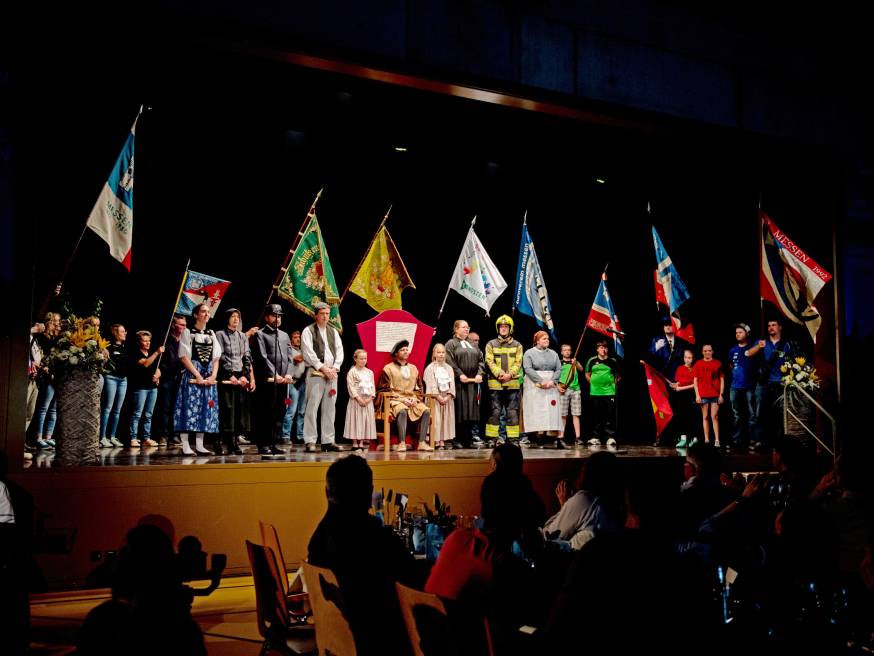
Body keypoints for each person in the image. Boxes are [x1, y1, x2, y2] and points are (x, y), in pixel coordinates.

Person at [307, 456, 417, 655]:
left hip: (336, 640)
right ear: (369, 493)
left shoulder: (318, 539)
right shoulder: (377, 540)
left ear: (327, 492)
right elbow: (414, 582)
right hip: (377, 641)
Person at [174, 303, 221, 456]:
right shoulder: (188, 332)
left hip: (208, 375)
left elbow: (216, 358)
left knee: (205, 409)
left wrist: (213, 375)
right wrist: (197, 375)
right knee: (188, 408)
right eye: (203, 311)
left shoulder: (211, 333)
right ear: (195, 315)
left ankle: (200, 445)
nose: (207, 314)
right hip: (193, 374)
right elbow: (183, 356)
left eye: (208, 312)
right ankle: (185, 446)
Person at [748, 317, 800, 451]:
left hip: (781, 384)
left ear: (780, 327)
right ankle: (760, 441)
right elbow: (748, 353)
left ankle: (780, 442)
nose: (771, 327)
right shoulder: (762, 342)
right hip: (763, 383)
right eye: (769, 325)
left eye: (774, 325)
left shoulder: (787, 344)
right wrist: (758, 347)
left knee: (780, 414)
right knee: (760, 413)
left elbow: (794, 361)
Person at [301, 302, 344, 453]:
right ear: (316, 315)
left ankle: (328, 440)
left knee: (330, 408)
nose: (325, 317)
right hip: (316, 373)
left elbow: (340, 352)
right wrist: (323, 368)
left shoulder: (333, 332)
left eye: (327, 314)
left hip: (331, 375)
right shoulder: (308, 331)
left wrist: (335, 368)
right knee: (312, 407)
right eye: (322, 314)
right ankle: (310, 440)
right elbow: (308, 353)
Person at [251, 303, 293, 456]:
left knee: (280, 412)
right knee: (266, 412)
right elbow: (262, 357)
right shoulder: (260, 334)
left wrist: (288, 374)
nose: (277, 319)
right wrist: (274, 374)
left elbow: (290, 358)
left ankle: (274, 442)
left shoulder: (284, 335)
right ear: (267, 317)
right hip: (267, 381)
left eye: (279, 316)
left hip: (283, 381)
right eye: (274, 316)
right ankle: (263, 444)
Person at [378, 340, 433, 451]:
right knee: (402, 410)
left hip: (412, 399)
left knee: (426, 411)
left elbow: (419, 388)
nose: (405, 352)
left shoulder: (413, 368)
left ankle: (422, 443)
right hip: (394, 400)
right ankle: (402, 443)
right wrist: (402, 400)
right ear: (396, 353)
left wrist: (415, 399)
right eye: (402, 350)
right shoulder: (388, 368)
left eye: (407, 350)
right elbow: (384, 389)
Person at [215, 308, 254, 455]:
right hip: (226, 376)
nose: (236, 319)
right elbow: (220, 356)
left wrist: (245, 375)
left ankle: (234, 442)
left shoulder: (242, 336)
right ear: (227, 318)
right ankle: (219, 441)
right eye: (233, 316)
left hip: (240, 377)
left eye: (238, 316)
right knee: (226, 409)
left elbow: (247, 357)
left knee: (238, 410)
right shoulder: (220, 334)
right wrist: (229, 375)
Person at [444, 319, 485, 448]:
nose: (467, 329)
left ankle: (468, 438)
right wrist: (459, 374)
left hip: (472, 383)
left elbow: (481, 360)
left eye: (468, 327)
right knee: (460, 410)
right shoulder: (451, 344)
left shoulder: (472, 343)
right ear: (456, 329)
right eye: (463, 327)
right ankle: (457, 438)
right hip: (459, 383)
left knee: (471, 411)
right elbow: (449, 361)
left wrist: (479, 374)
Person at [484, 315, 523, 446]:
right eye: (501, 326)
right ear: (498, 328)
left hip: (512, 384)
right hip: (495, 384)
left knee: (512, 412)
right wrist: (500, 373)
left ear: (510, 328)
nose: (503, 329)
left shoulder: (518, 345)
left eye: (506, 326)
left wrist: (509, 375)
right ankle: (492, 439)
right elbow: (489, 361)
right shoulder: (490, 344)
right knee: (494, 412)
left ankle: (513, 439)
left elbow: (518, 362)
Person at [522, 330, 563, 448]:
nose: (547, 341)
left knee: (550, 410)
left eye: (548, 339)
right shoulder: (529, 353)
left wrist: (553, 381)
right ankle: (539, 436)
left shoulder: (553, 354)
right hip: (535, 385)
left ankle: (552, 436)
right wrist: (541, 381)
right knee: (538, 409)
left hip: (551, 384)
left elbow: (558, 369)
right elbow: (528, 368)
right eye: (544, 339)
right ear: (537, 341)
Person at [127, 330, 164, 448]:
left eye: (149, 341)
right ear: (139, 342)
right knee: (137, 414)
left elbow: (157, 368)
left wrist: (158, 375)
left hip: (152, 388)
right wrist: (157, 352)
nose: (148, 343)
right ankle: (133, 438)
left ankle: (146, 438)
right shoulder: (135, 353)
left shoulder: (151, 354)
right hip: (141, 388)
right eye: (145, 341)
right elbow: (146, 364)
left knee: (148, 414)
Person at [155, 315, 186, 447]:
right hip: (167, 377)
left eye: (185, 325)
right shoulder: (165, 338)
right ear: (174, 325)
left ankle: (175, 435)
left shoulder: (185, 340)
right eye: (181, 325)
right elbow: (161, 360)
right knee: (165, 407)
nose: (184, 327)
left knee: (177, 408)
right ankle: (163, 435)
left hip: (180, 378)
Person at [31, 312, 61, 450]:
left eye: (58, 321)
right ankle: (38, 437)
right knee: (44, 407)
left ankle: (48, 437)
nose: (58, 323)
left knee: (53, 409)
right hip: (46, 375)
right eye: (55, 321)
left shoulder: (57, 338)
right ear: (49, 321)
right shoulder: (42, 338)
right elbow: (39, 356)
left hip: (56, 376)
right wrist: (44, 367)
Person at [728, 322, 758, 450]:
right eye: (736, 333)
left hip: (749, 386)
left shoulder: (752, 348)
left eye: (740, 332)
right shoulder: (732, 350)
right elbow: (731, 365)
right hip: (734, 387)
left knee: (752, 414)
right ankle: (736, 440)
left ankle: (753, 440)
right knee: (736, 415)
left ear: (747, 333)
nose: (737, 334)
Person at [585, 340, 620, 446]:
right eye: (601, 347)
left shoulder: (612, 361)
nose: (603, 349)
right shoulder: (592, 360)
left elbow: (617, 376)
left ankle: (610, 437)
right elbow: (587, 374)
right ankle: (595, 437)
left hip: (609, 393)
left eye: (605, 347)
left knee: (609, 416)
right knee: (596, 416)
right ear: (597, 349)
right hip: (595, 392)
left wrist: (611, 385)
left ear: (607, 349)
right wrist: (594, 384)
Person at [99, 324, 128, 448]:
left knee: (117, 410)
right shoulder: (109, 347)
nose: (125, 333)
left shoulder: (125, 347)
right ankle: (102, 437)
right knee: (107, 408)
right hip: (111, 378)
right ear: (116, 333)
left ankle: (112, 436)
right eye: (122, 331)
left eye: (124, 331)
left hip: (123, 380)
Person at [424, 343, 456, 450]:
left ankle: (442, 440)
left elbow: (452, 384)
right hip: (435, 399)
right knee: (436, 420)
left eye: (443, 352)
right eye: (439, 352)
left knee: (445, 420)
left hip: (446, 399)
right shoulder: (430, 368)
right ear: (434, 354)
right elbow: (431, 384)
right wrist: (438, 397)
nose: (441, 354)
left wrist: (448, 396)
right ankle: (435, 440)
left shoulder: (449, 368)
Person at [344, 349, 376, 453]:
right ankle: (355, 443)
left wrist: (369, 399)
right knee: (355, 420)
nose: (363, 361)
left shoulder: (369, 372)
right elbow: (351, 387)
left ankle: (361, 442)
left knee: (364, 421)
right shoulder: (352, 372)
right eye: (361, 358)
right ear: (355, 359)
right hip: (356, 400)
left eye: (365, 358)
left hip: (367, 401)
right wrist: (358, 399)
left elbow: (373, 387)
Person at [692, 343, 724, 447]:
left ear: (712, 351)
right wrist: (697, 395)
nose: (707, 352)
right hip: (703, 395)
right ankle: (706, 439)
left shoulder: (717, 363)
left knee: (714, 416)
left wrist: (721, 394)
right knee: (705, 417)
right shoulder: (698, 364)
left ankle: (717, 440)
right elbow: (695, 381)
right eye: (705, 351)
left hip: (715, 394)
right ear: (702, 352)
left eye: (709, 350)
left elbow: (722, 380)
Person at [281, 329, 307, 443]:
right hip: (293, 383)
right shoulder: (289, 350)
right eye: (295, 337)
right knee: (291, 410)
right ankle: (285, 436)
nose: (298, 339)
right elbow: (297, 359)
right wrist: (308, 353)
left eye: (299, 337)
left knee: (302, 411)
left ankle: (300, 436)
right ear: (291, 339)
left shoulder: (302, 351)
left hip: (303, 383)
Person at [669, 348, 697, 447]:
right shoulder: (680, 368)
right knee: (681, 417)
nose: (687, 360)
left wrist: (681, 388)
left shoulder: (695, 369)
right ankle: (683, 439)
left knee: (691, 417)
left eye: (689, 358)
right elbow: (679, 382)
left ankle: (693, 439)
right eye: (685, 357)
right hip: (681, 397)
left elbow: (695, 385)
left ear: (693, 358)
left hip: (691, 395)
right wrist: (675, 385)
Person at [558, 343, 584, 445]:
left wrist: (576, 363)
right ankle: (560, 437)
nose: (567, 352)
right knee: (563, 414)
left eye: (569, 350)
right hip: (564, 389)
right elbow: (554, 376)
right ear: (561, 352)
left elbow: (581, 369)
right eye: (565, 350)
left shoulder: (574, 361)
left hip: (575, 389)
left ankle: (578, 437)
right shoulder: (559, 363)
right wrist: (558, 386)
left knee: (576, 414)